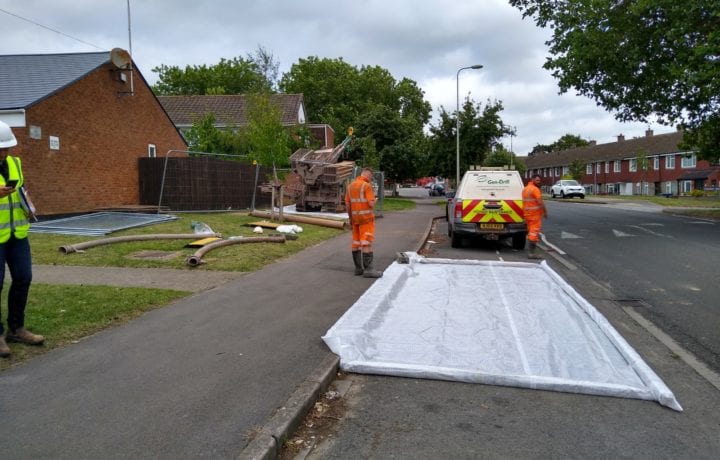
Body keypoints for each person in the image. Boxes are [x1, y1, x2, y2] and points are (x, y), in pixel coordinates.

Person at [0, 120, 44, 358]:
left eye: (6, 148)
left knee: (23, 278)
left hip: (17, 234)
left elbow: (22, 191)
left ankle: (17, 328)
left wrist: (29, 206)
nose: (4, 153)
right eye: (0, 149)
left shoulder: (15, 163)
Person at [345, 167, 382, 278]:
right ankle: (369, 270)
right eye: (371, 177)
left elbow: (347, 205)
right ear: (368, 175)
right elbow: (370, 204)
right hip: (366, 219)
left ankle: (358, 269)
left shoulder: (350, 186)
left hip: (355, 219)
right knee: (366, 242)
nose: (371, 179)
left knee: (356, 243)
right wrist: (375, 200)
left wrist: (351, 219)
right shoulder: (367, 186)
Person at [522, 173, 548, 259]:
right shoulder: (535, 189)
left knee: (530, 233)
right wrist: (545, 212)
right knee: (533, 233)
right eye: (537, 180)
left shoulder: (525, 189)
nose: (539, 182)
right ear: (532, 180)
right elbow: (540, 202)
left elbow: (524, 203)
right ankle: (531, 254)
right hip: (534, 216)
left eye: (539, 180)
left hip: (527, 215)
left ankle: (531, 252)